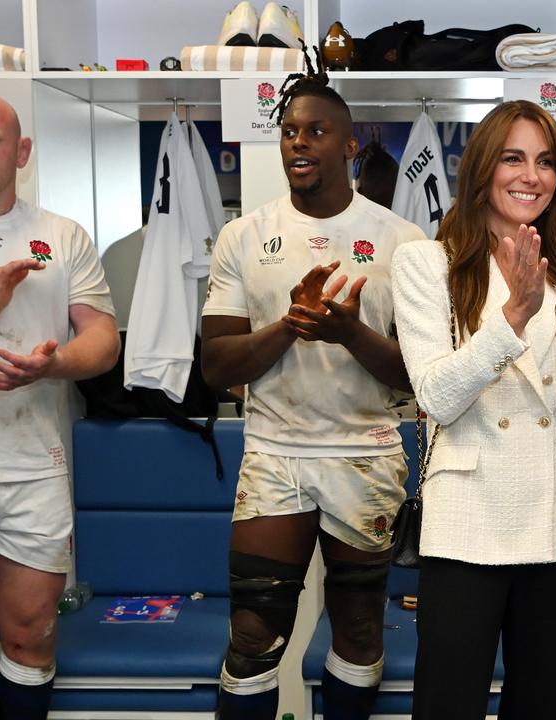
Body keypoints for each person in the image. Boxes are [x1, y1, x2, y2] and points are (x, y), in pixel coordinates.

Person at [392, 99, 556, 719]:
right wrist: (512, 318)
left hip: (553, 524)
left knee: (541, 706)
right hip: (465, 525)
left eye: (545, 161)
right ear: (481, 169)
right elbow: (436, 398)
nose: (531, 175)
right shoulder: (427, 263)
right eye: (513, 158)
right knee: (448, 704)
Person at [200, 49, 424, 719]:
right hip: (276, 453)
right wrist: (290, 327)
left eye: (316, 131)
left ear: (350, 145)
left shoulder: (403, 240)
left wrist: (347, 332)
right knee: (252, 634)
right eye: (289, 131)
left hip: (368, 451)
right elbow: (217, 366)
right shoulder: (244, 235)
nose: (298, 142)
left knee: (357, 630)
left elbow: (420, 376)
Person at [0, 91, 119, 719]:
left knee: (31, 636)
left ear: (22, 152)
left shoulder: (61, 236)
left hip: (33, 465)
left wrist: (55, 365)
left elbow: (102, 339)